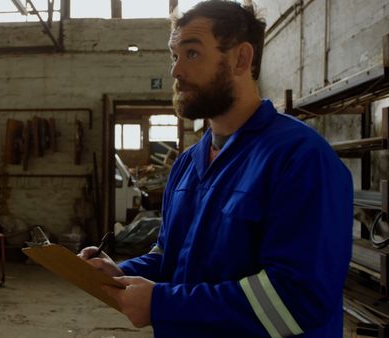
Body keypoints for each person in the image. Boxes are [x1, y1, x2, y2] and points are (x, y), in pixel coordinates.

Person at [79, 1, 353, 337]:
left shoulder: (300, 158)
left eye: (192, 54)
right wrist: (118, 271)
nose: (176, 71)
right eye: (174, 56)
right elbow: (172, 255)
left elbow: (298, 300)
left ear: (241, 59)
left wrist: (162, 304)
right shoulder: (187, 164)